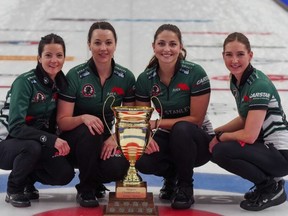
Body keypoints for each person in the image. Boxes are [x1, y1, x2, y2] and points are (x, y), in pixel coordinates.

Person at [135, 24, 214, 209]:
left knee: (182, 129)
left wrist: (157, 123)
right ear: (153, 46)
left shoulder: (195, 73)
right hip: (170, 136)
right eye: (161, 44)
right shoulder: (145, 79)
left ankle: (186, 186)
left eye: (172, 44)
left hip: (199, 142)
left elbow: (196, 120)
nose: (167, 49)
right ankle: (171, 178)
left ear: (180, 47)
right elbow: (142, 120)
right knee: (141, 157)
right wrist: (146, 135)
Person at [56, 21, 135, 208]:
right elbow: (62, 122)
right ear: (89, 45)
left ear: (115, 45)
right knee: (90, 130)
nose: (103, 48)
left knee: (119, 166)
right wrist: (83, 118)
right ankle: (87, 188)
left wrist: (116, 137)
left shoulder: (126, 77)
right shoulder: (75, 76)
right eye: (97, 43)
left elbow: (131, 120)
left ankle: (94, 178)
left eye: (108, 42)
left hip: (106, 141)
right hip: (76, 140)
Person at [209, 32, 288, 211]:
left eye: (240, 54)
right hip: (268, 149)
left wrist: (220, 138)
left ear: (250, 55)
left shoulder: (258, 85)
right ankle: (268, 183)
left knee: (221, 150)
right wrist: (215, 132)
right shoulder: (236, 80)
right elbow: (245, 119)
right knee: (214, 144)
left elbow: (249, 135)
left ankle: (270, 187)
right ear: (223, 56)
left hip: (282, 154)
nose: (234, 60)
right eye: (229, 55)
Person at [0, 33, 75, 208]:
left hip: (35, 142)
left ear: (64, 58)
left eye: (59, 55)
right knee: (31, 147)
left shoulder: (63, 84)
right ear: (39, 58)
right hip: (7, 142)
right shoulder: (25, 82)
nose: (54, 60)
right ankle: (14, 189)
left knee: (64, 174)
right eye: (48, 55)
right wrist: (50, 139)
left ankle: (27, 180)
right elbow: (16, 128)